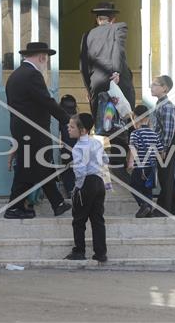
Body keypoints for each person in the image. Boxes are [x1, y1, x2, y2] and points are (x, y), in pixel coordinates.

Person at [5, 42, 71, 219]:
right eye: (47, 59)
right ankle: (13, 208)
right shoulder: (32, 75)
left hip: (22, 129)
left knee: (42, 165)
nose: (46, 64)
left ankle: (57, 204)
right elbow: (46, 101)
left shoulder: (15, 75)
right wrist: (68, 120)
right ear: (42, 57)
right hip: (33, 131)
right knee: (27, 169)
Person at [79, 1, 136, 183]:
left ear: (98, 19)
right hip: (116, 83)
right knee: (123, 125)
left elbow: (83, 65)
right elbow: (118, 51)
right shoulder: (119, 27)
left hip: (96, 84)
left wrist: (89, 89)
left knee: (105, 126)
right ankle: (122, 170)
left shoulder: (87, 35)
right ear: (113, 19)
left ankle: (109, 167)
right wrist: (117, 72)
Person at [64, 113, 109, 263]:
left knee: (78, 220)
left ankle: (79, 251)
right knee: (97, 220)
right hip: (99, 181)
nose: (68, 129)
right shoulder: (96, 142)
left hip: (86, 183)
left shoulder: (78, 147)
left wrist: (77, 189)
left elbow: (80, 170)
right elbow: (105, 159)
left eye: (72, 127)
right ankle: (100, 253)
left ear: (82, 130)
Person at [150, 75, 175, 216]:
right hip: (163, 146)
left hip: (167, 147)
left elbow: (169, 130)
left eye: (155, 84)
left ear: (164, 88)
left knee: (166, 177)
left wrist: (163, 148)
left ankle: (163, 209)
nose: (151, 87)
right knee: (167, 176)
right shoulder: (160, 105)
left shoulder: (167, 107)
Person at [127, 105, 164, 218]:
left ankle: (144, 205)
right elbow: (161, 152)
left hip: (139, 167)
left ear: (136, 118)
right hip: (151, 168)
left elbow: (133, 149)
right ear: (148, 118)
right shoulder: (154, 134)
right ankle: (150, 210)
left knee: (133, 186)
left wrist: (130, 163)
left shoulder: (135, 134)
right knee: (148, 189)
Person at [59, 94, 78, 196]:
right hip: (78, 148)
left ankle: (70, 189)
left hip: (66, 148)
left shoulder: (62, 119)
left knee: (67, 169)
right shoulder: (77, 119)